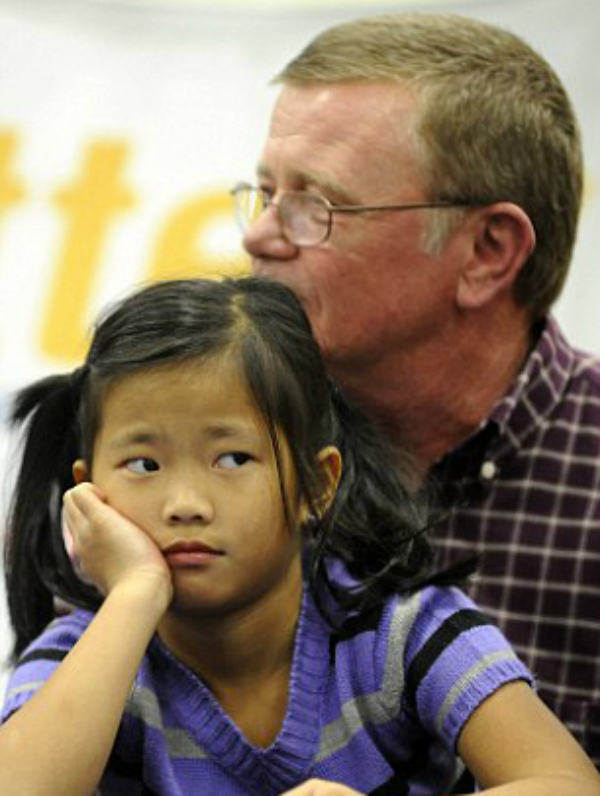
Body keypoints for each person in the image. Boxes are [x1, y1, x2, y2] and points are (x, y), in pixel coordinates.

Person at [0, 277, 597, 796]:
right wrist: (135, 593)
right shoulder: (93, 652)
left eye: (232, 459)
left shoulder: (403, 629)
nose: (184, 504)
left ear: (317, 483)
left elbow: (571, 784)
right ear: (89, 492)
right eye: (144, 465)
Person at [234, 12, 600, 765]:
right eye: (265, 192)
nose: (260, 236)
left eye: (315, 205)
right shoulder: (198, 445)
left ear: (487, 253)